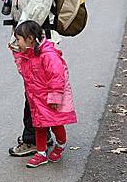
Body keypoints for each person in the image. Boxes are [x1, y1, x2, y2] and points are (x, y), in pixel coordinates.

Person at [6, 0, 64, 157]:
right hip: (31, 35)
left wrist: (19, 37)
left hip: (37, 38)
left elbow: (39, 4)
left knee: (35, 90)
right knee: (35, 90)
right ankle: (44, 136)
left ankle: (33, 139)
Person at [11, 20, 77, 167]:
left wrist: (55, 97)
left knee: (56, 124)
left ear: (30, 39)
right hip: (36, 99)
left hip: (49, 99)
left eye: (18, 39)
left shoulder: (48, 55)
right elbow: (24, 72)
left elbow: (57, 76)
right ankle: (41, 153)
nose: (17, 42)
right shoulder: (27, 56)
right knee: (39, 126)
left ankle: (60, 144)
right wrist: (17, 55)